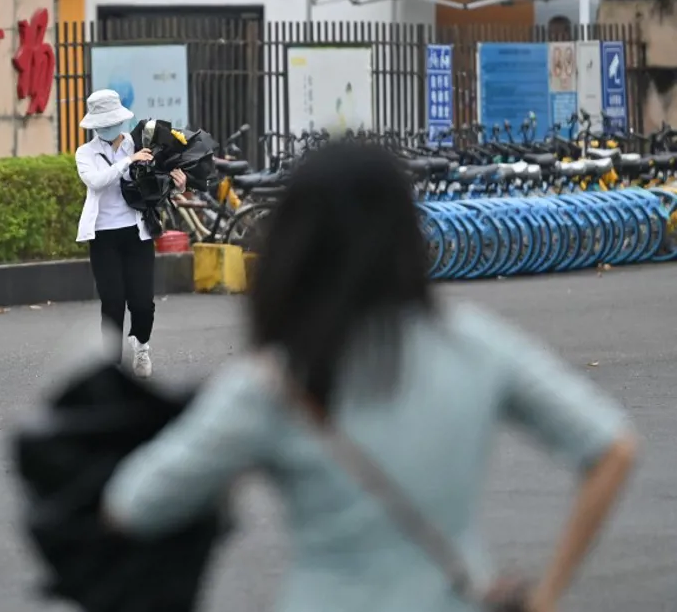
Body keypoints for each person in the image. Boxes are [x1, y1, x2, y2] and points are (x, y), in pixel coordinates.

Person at [102, 142, 638, 612]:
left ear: (296, 243)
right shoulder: (475, 343)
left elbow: (135, 503)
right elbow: (613, 448)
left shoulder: (275, 381)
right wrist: (548, 594)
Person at [75, 89, 184, 379]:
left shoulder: (140, 145)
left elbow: (158, 184)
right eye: (102, 123)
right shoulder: (86, 153)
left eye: (111, 122)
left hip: (137, 233)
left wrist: (179, 184)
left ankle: (141, 346)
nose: (107, 128)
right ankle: (112, 367)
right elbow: (96, 181)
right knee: (112, 300)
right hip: (103, 236)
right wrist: (128, 161)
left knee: (142, 302)